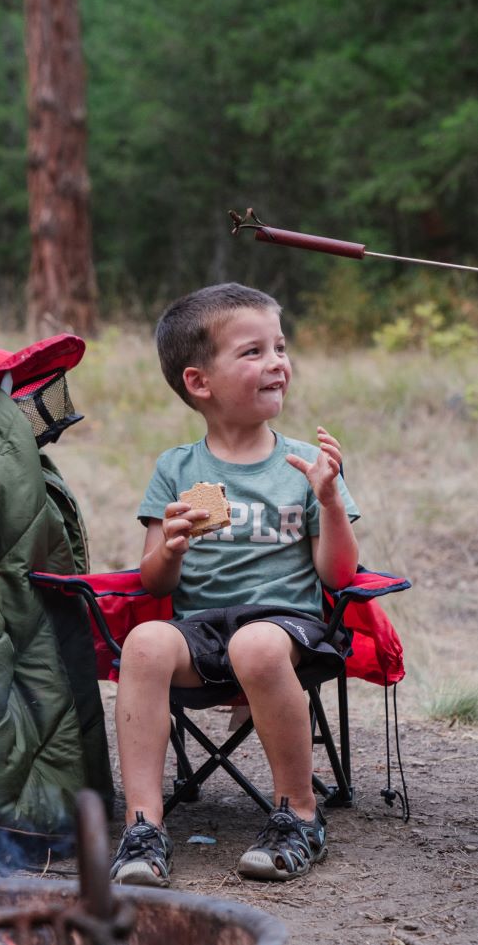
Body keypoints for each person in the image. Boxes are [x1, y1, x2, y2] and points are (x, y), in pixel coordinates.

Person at [111, 282, 360, 887]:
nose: (277, 361)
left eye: (280, 346)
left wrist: (328, 501)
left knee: (256, 644)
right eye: (253, 352)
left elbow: (339, 576)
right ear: (200, 382)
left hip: (288, 626)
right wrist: (170, 547)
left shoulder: (305, 464)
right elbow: (150, 579)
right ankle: (142, 827)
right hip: (201, 630)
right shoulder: (177, 468)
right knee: (144, 642)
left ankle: (299, 814)